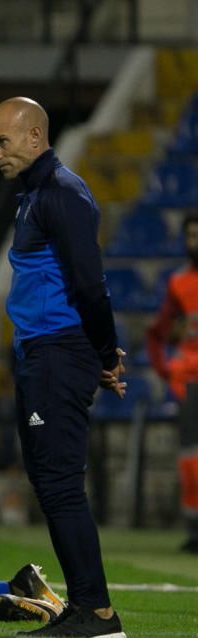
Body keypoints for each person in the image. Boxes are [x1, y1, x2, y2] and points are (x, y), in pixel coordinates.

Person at [0, 96, 127, 638]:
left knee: (61, 484)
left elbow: (90, 283)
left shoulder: (61, 194)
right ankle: (88, 605)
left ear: (36, 136)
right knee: (49, 482)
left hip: (57, 352)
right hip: (41, 352)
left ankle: (97, 611)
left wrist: (104, 352)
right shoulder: (35, 195)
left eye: (3, 141)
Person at [146, 212, 198, 554]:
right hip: (190, 380)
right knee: (191, 456)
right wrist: (167, 371)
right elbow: (156, 334)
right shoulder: (179, 283)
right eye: (191, 235)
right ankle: (195, 528)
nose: (195, 241)